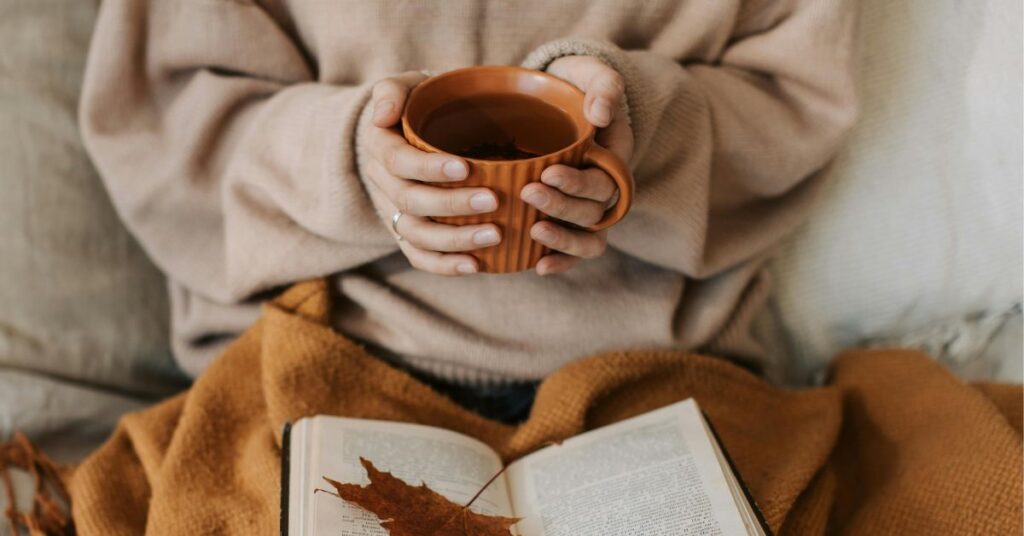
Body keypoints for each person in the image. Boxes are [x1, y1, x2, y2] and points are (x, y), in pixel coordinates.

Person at [80, 0, 857, 423]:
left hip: (659, 373)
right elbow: (166, 128)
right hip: (324, 357)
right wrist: (353, 159)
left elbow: (793, 105)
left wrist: (641, 126)